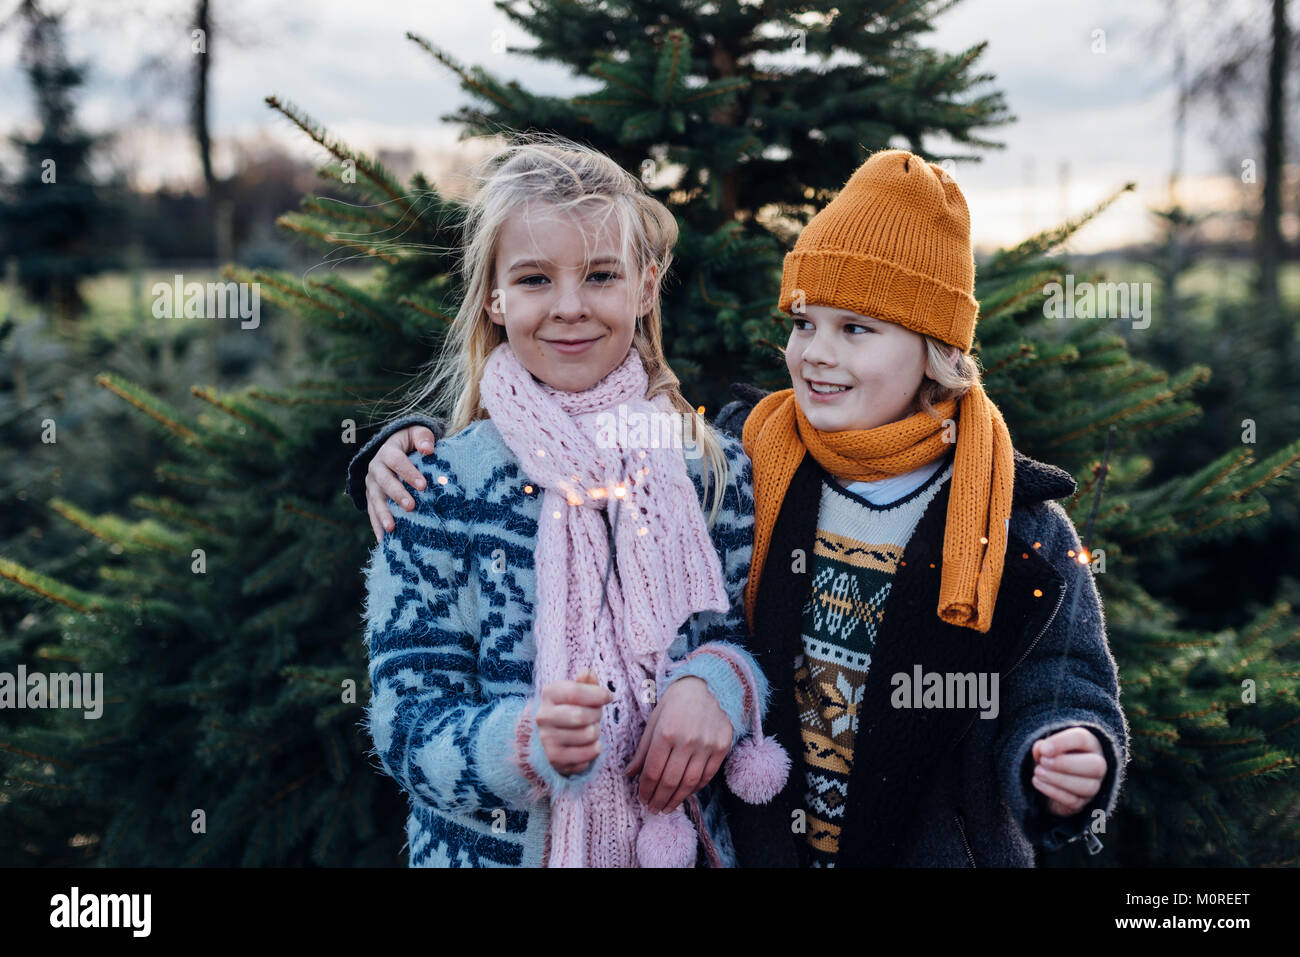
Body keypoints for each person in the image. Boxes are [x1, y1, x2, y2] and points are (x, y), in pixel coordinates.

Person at [354, 148, 1130, 867]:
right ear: (491, 297)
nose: (817, 353)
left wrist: (1066, 749)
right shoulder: (750, 458)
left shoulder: (726, 467)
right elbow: (407, 714)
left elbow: (1058, 677)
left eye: (855, 329)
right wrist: (393, 445)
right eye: (803, 324)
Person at [359, 133, 786, 868]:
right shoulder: (438, 489)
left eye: (599, 275)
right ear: (493, 298)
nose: (568, 307)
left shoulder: (711, 468)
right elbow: (405, 728)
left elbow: (758, 636)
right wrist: (521, 744)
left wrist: (720, 682)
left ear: (645, 287)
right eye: (533, 279)